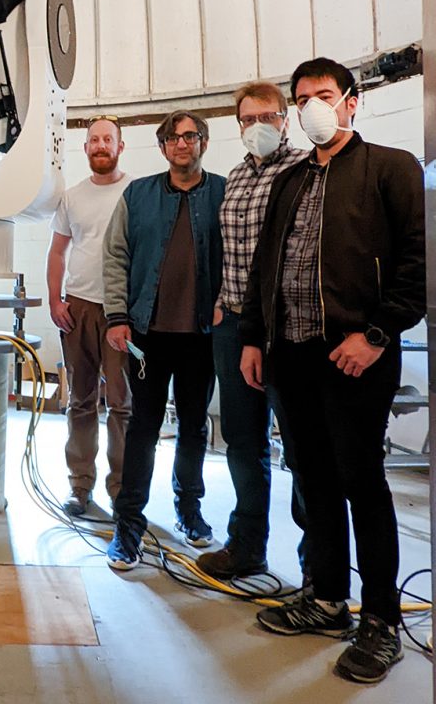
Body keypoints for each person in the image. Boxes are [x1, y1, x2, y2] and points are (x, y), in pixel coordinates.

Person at [240, 57, 424, 685]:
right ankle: (325, 598)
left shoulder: (391, 169)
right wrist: (253, 339)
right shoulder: (290, 180)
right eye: (302, 98)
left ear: (352, 101)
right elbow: (268, 267)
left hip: (355, 355)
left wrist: (376, 335)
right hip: (290, 354)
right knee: (315, 482)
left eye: (324, 95)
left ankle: (380, 622)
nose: (313, 105)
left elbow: (416, 266)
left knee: (363, 485)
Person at [103, 111, 225, 570]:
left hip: (202, 336)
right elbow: (116, 256)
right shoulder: (138, 194)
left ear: (204, 143)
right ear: (162, 147)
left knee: (194, 428)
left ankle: (189, 511)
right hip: (147, 336)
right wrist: (117, 317)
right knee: (143, 429)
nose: (182, 144)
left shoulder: (223, 193)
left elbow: (239, 256)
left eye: (191, 136)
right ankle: (128, 526)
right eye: (173, 137)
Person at [197, 83, 309, 580]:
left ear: (285, 118)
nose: (258, 125)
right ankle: (247, 546)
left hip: (289, 330)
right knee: (243, 441)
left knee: (306, 449)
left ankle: (318, 569)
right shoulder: (237, 177)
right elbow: (231, 252)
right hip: (236, 325)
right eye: (248, 118)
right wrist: (224, 304)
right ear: (237, 124)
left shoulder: (306, 169)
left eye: (268, 115)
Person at [47, 115, 132, 516]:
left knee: (121, 403)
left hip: (121, 312)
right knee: (80, 401)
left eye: (107, 139)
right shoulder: (73, 197)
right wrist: (55, 301)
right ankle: (80, 487)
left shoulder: (137, 192)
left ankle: (122, 489)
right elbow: (57, 251)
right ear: (86, 149)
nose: (100, 145)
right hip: (77, 307)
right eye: (94, 140)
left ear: (120, 146)